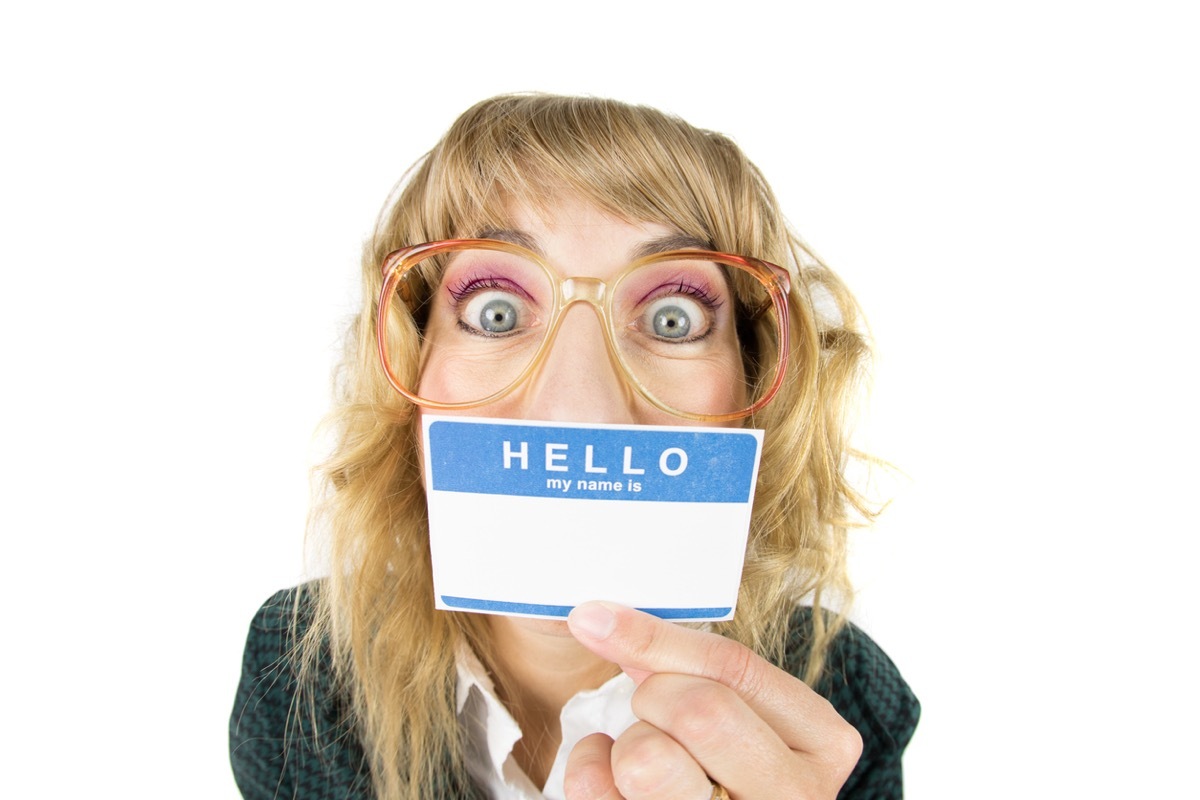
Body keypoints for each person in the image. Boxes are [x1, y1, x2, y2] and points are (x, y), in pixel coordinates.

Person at [230, 94, 919, 800]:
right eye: (494, 312)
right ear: (409, 371)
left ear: (753, 384)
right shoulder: (298, 682)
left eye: (673, 319)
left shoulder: (842, 710)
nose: (578, 408)